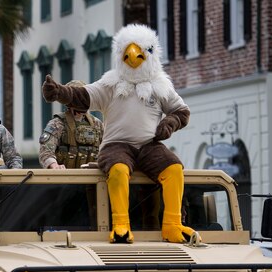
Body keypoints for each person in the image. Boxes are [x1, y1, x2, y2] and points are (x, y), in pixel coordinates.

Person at [42, 24, 193, 244]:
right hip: (117, 145)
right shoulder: (110, 84)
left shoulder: (161, 86)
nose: (133, 57)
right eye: (127, 51)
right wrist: (59, 92)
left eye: (143, 51)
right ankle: (121, 225)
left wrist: (169, 123)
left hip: (150, 145)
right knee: (119, 170)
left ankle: (172, 225)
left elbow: (181, 111)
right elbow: (82, 95)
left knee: (174, 169)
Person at [39, 80, 104, 169]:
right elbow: (45, 150)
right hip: (65, 178)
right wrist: (53, 165)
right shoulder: (57, 123)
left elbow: (108, 149)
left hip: (92, 179)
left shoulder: (97, 124)